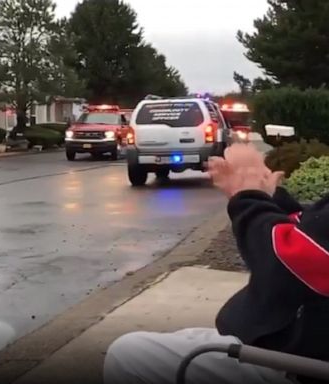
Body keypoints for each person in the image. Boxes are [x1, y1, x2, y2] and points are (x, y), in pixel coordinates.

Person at [103, 143, 329, 384]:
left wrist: (247, 198)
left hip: (297, 362)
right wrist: (269, 199)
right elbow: (312, 232)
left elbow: (288, 260)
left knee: (129, 355)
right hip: (286, 342)